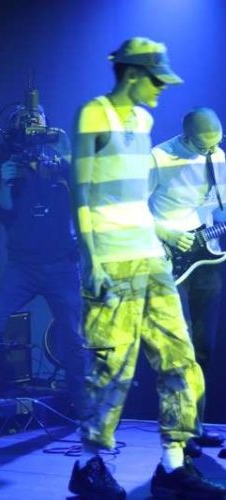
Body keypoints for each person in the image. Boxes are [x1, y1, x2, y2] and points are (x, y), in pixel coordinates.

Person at [68, 37, 225, 499]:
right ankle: (87, 466)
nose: (163, 88)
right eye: (158, 80)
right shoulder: (94, 114)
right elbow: (80, 192)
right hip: (111, 259)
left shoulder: (144, 119)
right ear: (134, 74)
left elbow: (136, 199)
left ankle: (173, 465)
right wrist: (91, 259)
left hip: (152, 258)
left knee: (181, 359)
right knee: (111, 367)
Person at [0, 96, 84, 417]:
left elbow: (82, 193)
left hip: (62, 264)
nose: (32, 125)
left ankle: (83, 399)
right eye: (27, 120)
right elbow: (5, 214)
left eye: (37, 119)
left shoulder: (61, 161)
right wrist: (5, 181)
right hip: (22, 266)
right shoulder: (9, 163)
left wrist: (63, 150)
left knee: (73, 333)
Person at [150, 107, 226, 456]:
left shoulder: (219, 157)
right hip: (169, 261)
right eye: (202, 145)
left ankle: (195, 426)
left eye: (216, 143)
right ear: (185, 136)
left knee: (204, 346)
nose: (211, 150)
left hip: (207, 259)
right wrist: (165, 232)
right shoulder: (159, 157)